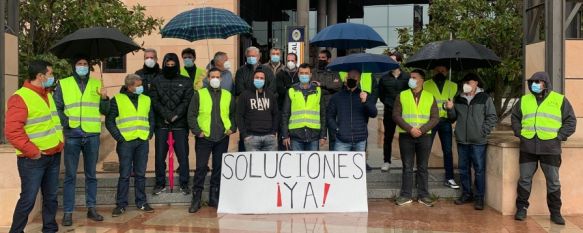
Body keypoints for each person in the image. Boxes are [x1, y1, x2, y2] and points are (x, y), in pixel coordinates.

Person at [5, 60, 63, 233]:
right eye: (50, 74)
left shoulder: (47, 95)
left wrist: (60, 143)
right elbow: (12, 131)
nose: (52, 77)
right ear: (40, 76)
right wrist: (34, 152)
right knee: (28, 199)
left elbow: (53, 122)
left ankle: (50, 228)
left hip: (53, 155)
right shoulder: (20, 97)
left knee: (51, 197)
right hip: (33, 159)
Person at [511, 72, 576, 225]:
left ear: (545, 83)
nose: (534, 84)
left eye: (538, 81)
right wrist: (519, 132)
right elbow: (515, 117)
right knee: (524, 179)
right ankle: (521, 209)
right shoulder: (524, 100)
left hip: (550, 148)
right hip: (528, 147)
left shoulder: (559, 99)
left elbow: (571, 121)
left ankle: (555, 213)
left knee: (553, 181)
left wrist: (559, 136)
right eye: (532, 81)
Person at [54, 55, 110, 226]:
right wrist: (67, 124)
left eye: (85, 64)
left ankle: (91, 208)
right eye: (79, 64)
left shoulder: (96, 84)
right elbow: (57, 107)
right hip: (72, 135)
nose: (83, 66)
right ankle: (68, 212)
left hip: (92, 134)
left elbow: (105, 110)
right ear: (74, 66)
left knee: (91, 174)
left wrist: (104, 98)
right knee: (70, 176)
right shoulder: (63, 83)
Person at [106, 74, 156, 217]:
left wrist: (149, 134)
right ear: (130, 86)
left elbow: (151, 119)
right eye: (138, 85)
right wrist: (119, 138)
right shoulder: (117, 100)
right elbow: (110, 121)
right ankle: (121, 204)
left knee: (141, 174)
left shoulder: (146, 99)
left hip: (142, 141)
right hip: (125, 142)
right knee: (125, 175)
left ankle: (141, 202)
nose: (141, 87)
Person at [187, 67, 236, 213]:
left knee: (218, 168)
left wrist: (232, 128)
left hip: (222, 137)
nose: (215, 79)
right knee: (201, 167)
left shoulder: (228, 95)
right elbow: (191, 115)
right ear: (208, 79)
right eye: (212, 76)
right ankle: (196, 199)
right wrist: (197, 131)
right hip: (204, 137)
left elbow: (233, 114)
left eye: (217, 77)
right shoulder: (199, 94)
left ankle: (214, 198)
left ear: (221, 79)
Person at [445, 73, 497, 210]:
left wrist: (483, 131)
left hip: (478, 141)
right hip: (462, 140)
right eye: (465, 82)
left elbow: (492, 117)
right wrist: (450, 108)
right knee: (463, 169)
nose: (466, 84)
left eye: (469, 82)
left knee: (479, 170)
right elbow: (452, 118)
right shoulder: (458, 99)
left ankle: (479, 197)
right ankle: (466, 194)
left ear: (476, 83)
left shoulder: (484, 98)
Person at [393, 69, 439, 207]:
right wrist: (410, 129)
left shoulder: (430, 97)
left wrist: (422, 130)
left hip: (424, 136)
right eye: (410, 77)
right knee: (407, 166)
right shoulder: (402, 95)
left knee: (423, 166)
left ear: (421, 80)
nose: (410, 80)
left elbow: (435, 118)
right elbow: (396, 115)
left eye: (413, 77)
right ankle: (405, 195)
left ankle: (423, 195)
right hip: (406, 136)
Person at [150, 53, 194, 196]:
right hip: (162, 123)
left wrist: (175, 115)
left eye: (172, 65)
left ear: (177, 65)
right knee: (160, 156)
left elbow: (187, 101)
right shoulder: (156, 81)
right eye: (167, 65)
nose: (170, 67)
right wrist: (166, 115)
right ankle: (159, 183)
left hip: (180, 124)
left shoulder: (186, 81)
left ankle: (184, 183)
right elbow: (154, 101)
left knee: (183, 155)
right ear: (163, 64)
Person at [423, 64, 459, 189]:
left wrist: (451, 107)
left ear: (447, 71)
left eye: (443, 70)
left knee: (448, 150)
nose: (440, 72)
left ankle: (449, 178)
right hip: (430, 121)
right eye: (437, 70)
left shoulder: (453, 86)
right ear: (433, 70)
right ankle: (422, 177)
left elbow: (454, 104)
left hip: (445, 121)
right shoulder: (425, 84)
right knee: (425, 149)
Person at [327, 69, 378, 151]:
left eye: (355, 77)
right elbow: (329, 116)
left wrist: (365, 102)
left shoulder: (364, 95)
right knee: (340, 163)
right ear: (346, 78)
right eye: (350, 77)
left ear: (359, 80)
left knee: (358, 164)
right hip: (342, 140)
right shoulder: (337, 96)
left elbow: (373, 113)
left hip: (360, 140)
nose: (352, 79)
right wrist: (337, 129)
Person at [281, 63, 327, 151]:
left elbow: (323, 114)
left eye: (306, 73)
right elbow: (285, 114)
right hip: (296, 135)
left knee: (313, 164)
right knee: (296, 164)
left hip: (313, 135)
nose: (304, 75)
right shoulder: (291, 90)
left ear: (310, 75)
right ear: (298, 74)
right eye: (302, 73)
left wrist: (323, 135)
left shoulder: (318, 91)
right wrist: (285, 135)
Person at [378, 51, 410, 172]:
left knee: (406, 137)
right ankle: (386, 161)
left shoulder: (407, 77)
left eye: (394, 60)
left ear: (399, 61)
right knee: (388, 137)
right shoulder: (384, 78)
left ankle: (407, 162)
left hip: (404, 112)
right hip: (389, 111)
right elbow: (381, 95)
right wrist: (388, 103)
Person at [237, 70, 279, 151]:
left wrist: (273, 132)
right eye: (257, 77)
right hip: (251, 138)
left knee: (271, 163)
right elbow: (239, 115)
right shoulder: (244, 95)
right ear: (252, 79)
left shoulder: (270, 95)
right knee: (253, 164)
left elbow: (276, 114)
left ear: (265, 80)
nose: (259, 80)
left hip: (269, 138)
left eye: (261, 78)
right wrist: (245, 135)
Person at [312, 49, 342, 150]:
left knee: (333, 135)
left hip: (332, 108)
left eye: (323, 58)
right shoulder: (314, 71)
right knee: (316, 136)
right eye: (319, 58)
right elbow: (314, 86)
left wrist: (322, 85)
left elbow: (338, 86)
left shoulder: (334, 71)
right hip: (318, 108)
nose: (320, 60)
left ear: (328, 59)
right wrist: (330, 88)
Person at [276, 52, 300, 150]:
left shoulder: (300, 73)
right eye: (288, 60)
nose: (290, 62)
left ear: (296, 61)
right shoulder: (280, 73)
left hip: (297, 108)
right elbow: (280, 90)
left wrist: (288, 87)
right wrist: (293, 88)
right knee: (283, 134)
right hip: (282, 107)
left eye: (292, 60)